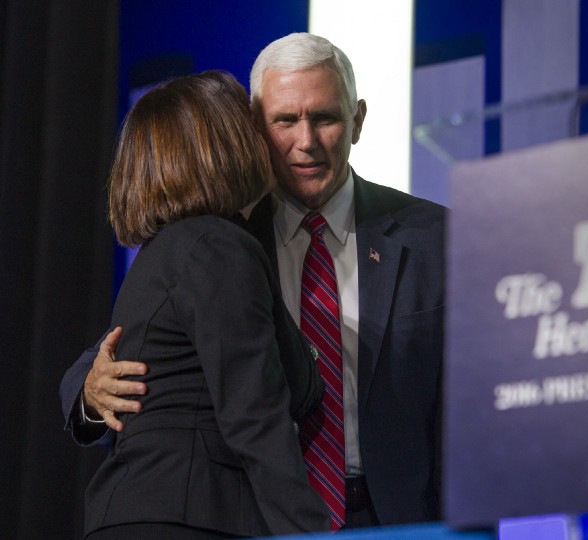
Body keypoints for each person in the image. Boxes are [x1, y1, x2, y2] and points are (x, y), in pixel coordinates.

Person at [61, 33, 446, 530]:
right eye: (284, 121)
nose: (305, 142)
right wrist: (89, 389)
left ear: (358, 120)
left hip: (397, 516)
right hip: (253, 514)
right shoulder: (220, 237)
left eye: (325, 118)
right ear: (253, 129)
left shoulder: (438, 238)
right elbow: (135, 339)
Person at [75, 70, 329, 539]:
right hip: (188, 515)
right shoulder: (215, 247)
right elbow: (253, 415)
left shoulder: (172, 250)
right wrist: (311, 534)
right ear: (223, 144)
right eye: (253, 126)